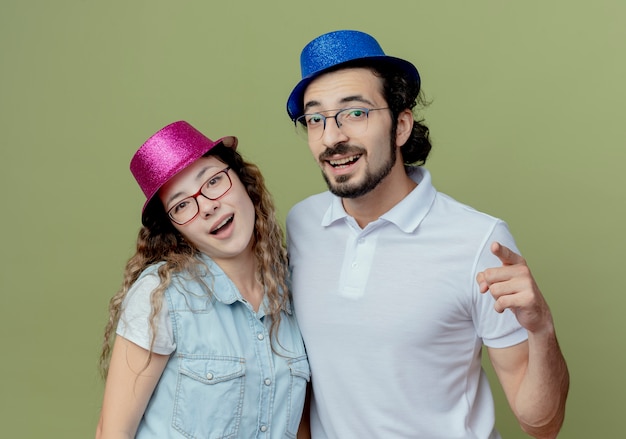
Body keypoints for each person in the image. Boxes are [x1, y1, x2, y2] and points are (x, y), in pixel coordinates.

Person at [285, 30, 569, 439]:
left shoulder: (478, 241)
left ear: (401, 125)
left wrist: (541, 327)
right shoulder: (302, 225)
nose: (332, 137)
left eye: (356, 113)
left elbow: (541, 424)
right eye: (316, 118)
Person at [96, 121, 310, 438]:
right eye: (182, 205)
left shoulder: (295, 288)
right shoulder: (161, 296)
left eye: (212, 182)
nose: (208, 206)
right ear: (173, 228)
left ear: (243, 181)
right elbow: (112, 433)